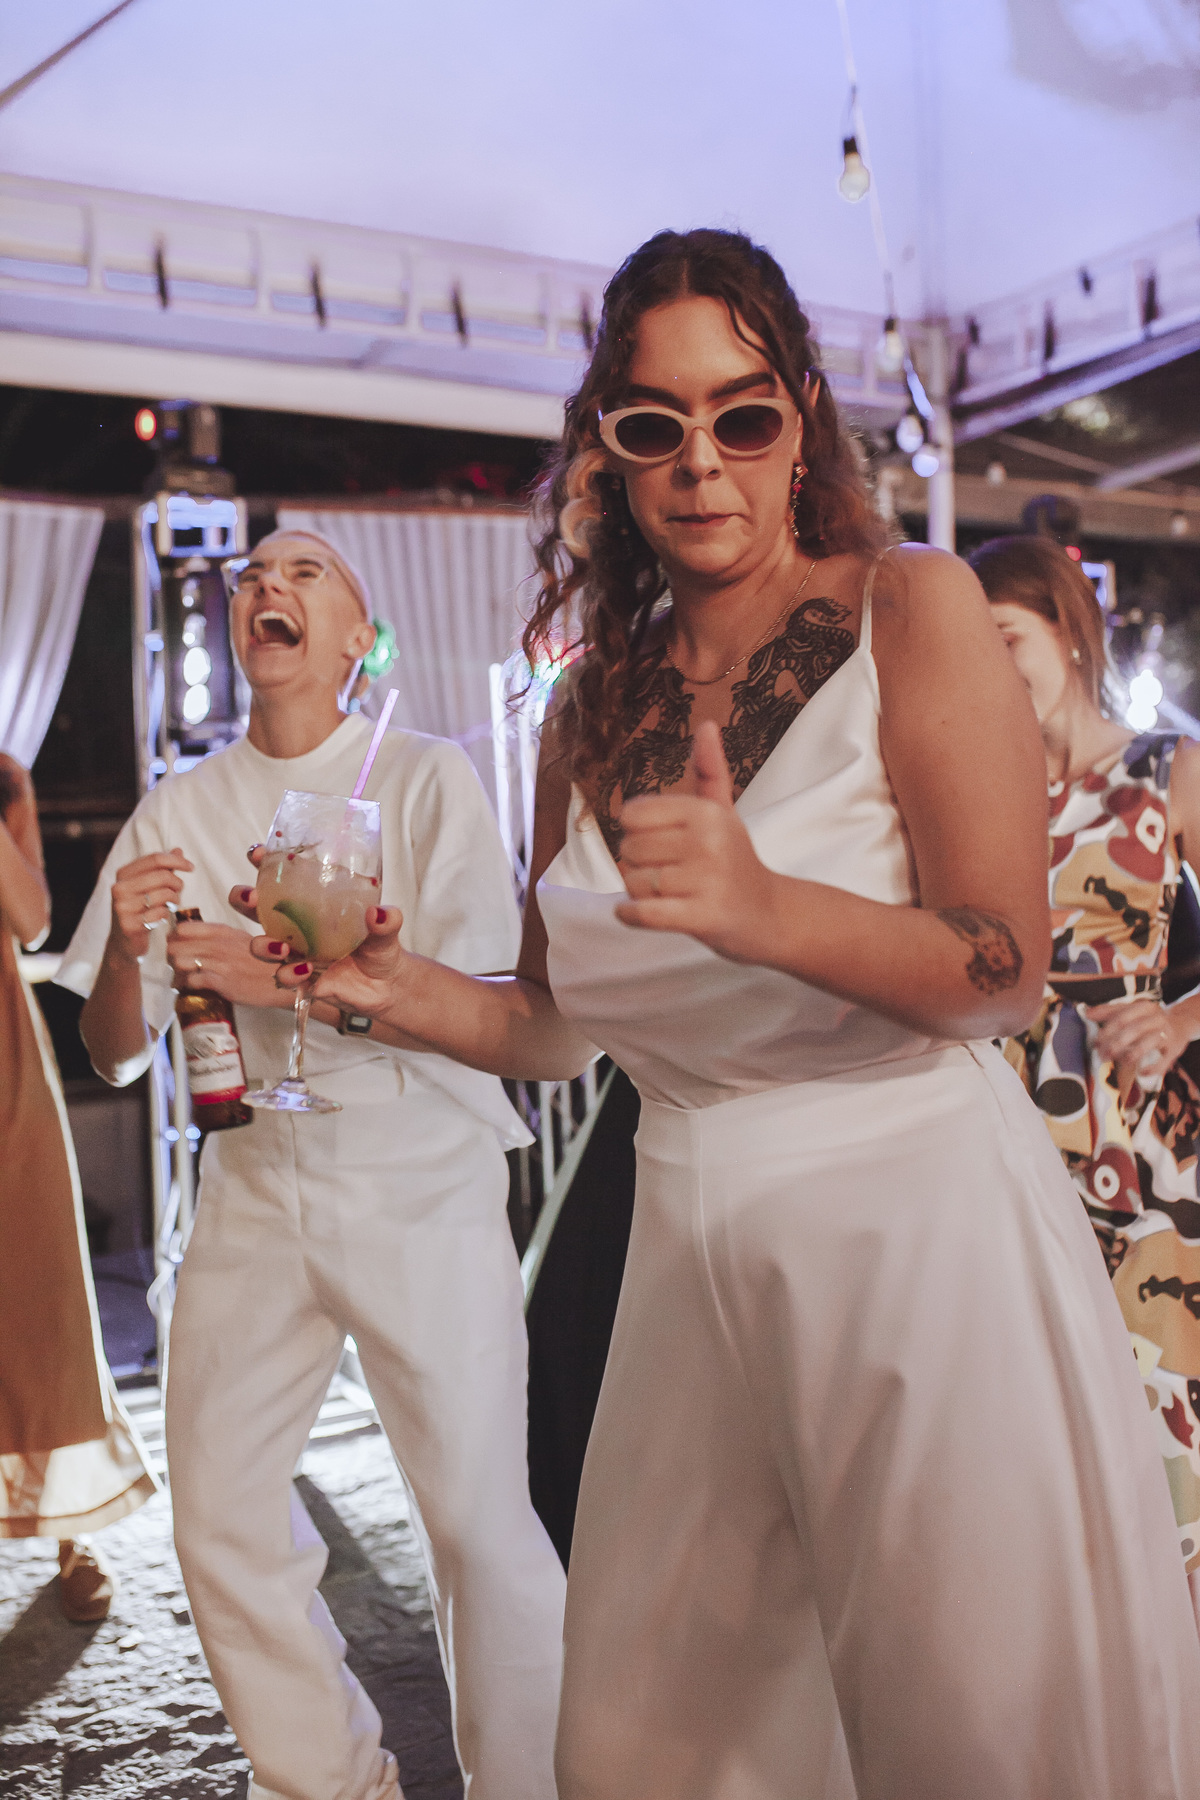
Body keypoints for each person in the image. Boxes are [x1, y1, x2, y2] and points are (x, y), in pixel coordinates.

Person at [246, 232, 1200, 1799]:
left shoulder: (913, 608)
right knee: (646, 1747)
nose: (702, 461)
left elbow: (1005, 967)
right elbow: (561, 1027)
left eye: (741, 416)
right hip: (689, 1259)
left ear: (800, 421)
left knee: (967, 1734)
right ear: (609, 448)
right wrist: (396, 992)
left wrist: (768, 907)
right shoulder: (585, 705)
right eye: (656, 423)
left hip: (915, 1238)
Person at [56, 529, 566, 1800]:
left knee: (476, 1523)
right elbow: (112, 1054)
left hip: (416, 1163)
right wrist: (124, 954)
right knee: (220, 1511)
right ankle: (329, 1783)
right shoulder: (178, 808)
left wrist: (287, 978)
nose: (266, 589)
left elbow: (493, 1006)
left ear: (357, 638)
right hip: (248, 1179)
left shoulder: (427, 775)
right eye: (250, 578)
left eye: (305, 574)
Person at [972, 532, 1200, 1625]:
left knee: (1165, 1423)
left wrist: (1181, 1017)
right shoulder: (979, 789)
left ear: (1067, 629)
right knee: (1034, 1438)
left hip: (1139, 1143)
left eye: (1004, 636)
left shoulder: (1167, 767)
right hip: (1001, 1137)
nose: (990, 665)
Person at [0, 754, 158, 1617]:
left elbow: (31, 921)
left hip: (4, 1063)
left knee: (40, 1285)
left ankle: (72, 1521)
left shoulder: (6, 778)